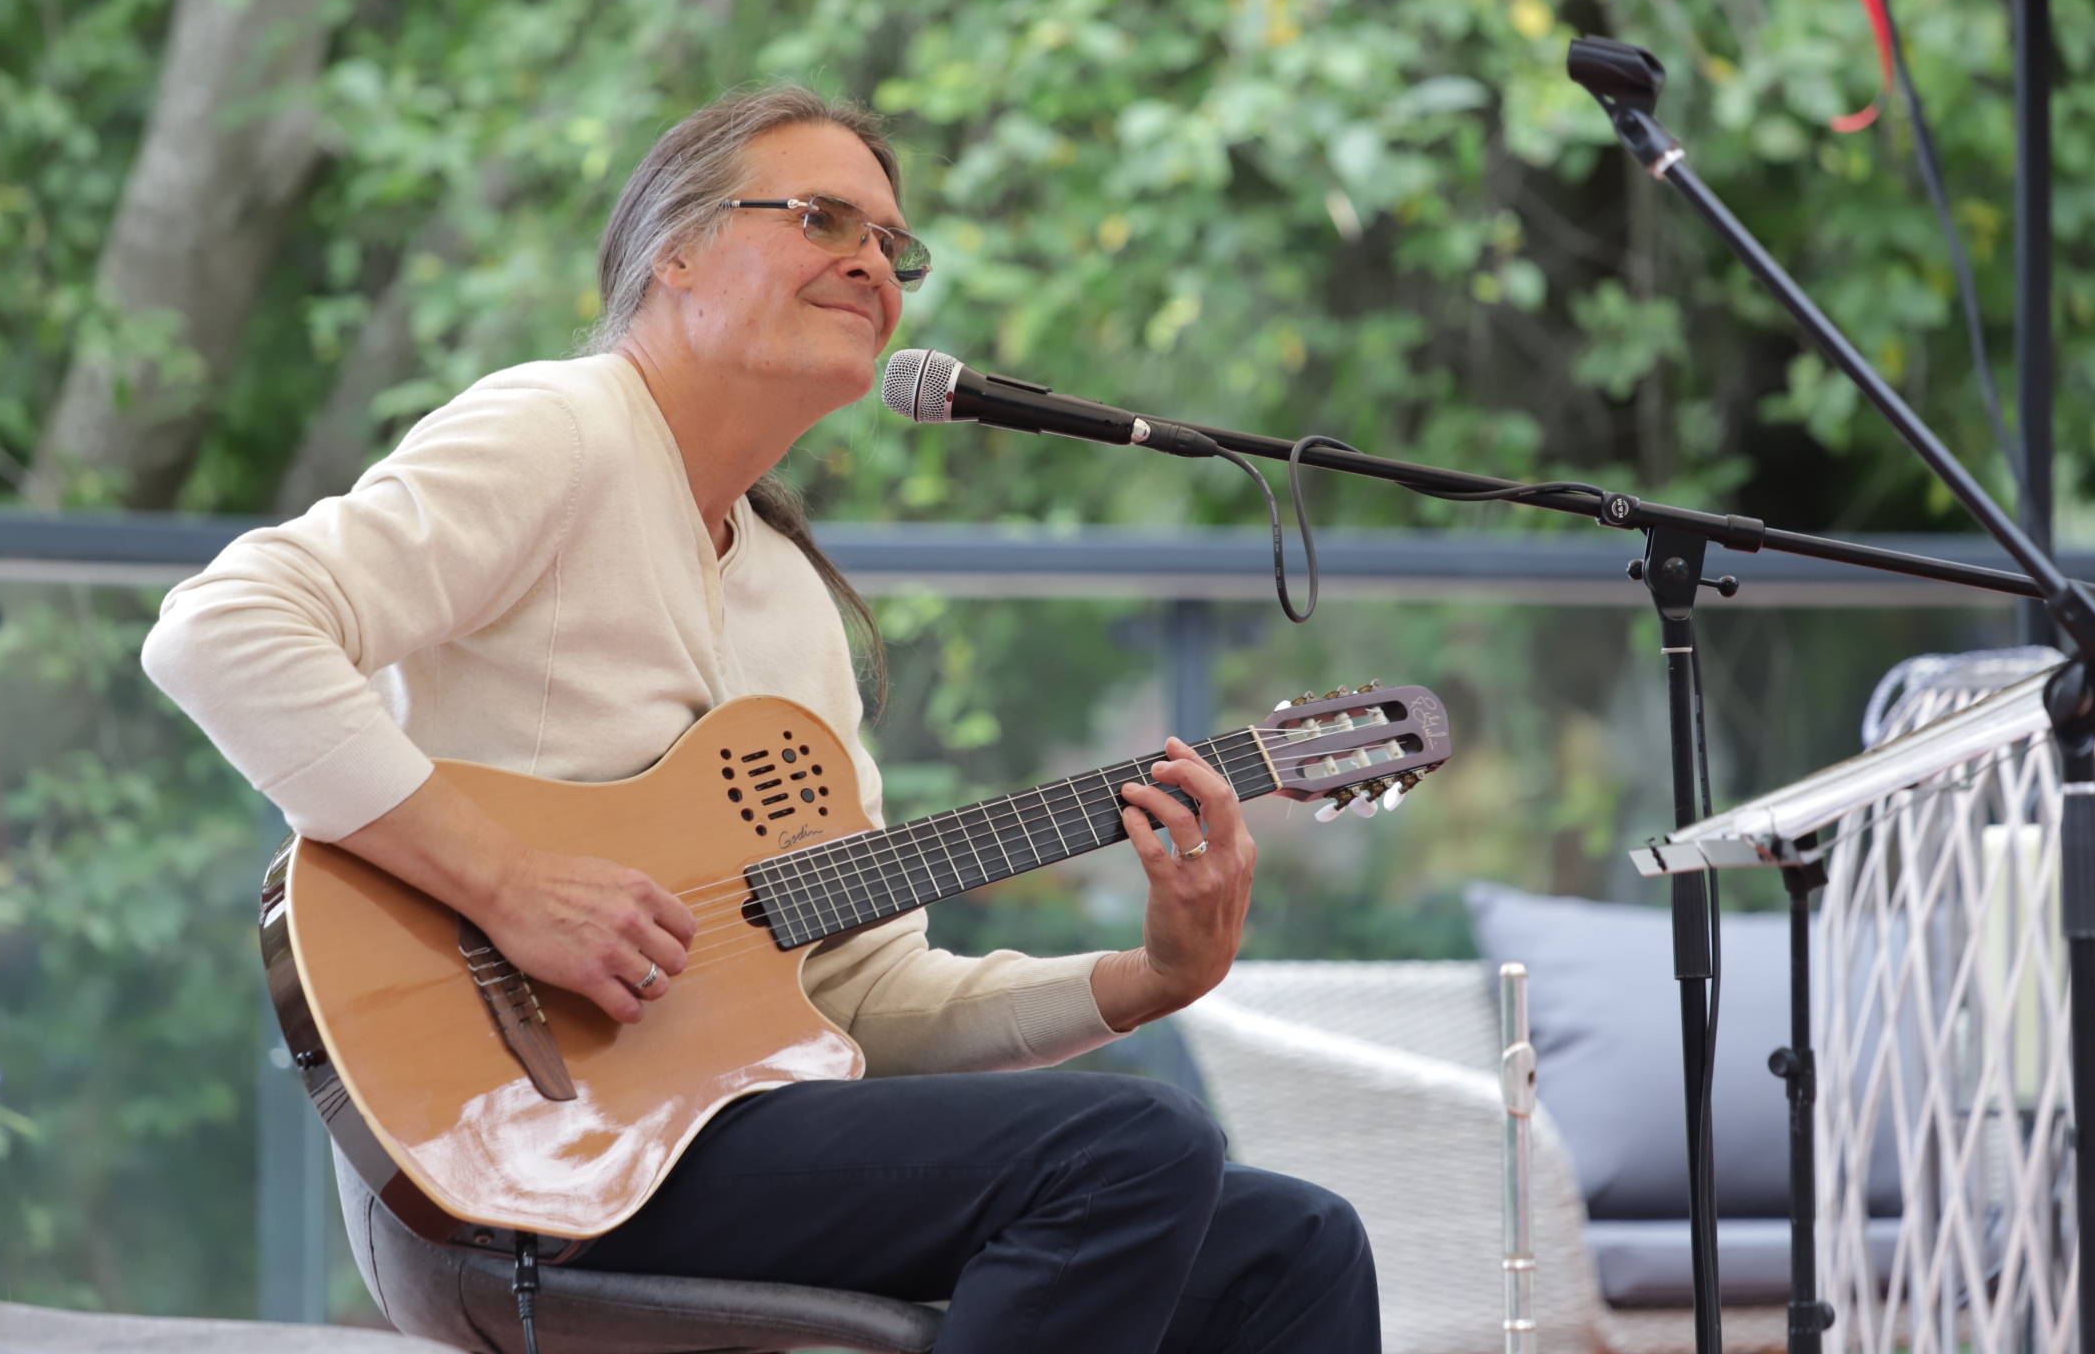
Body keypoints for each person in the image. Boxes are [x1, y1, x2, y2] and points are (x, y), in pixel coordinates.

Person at [143, 86, 1379, 1354]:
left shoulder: (791, 598)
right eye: (822, 218)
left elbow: (867, 992)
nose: (872, 264)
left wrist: (1150, 978)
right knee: (1136, 1141)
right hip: (517, 1163)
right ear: (671, 253)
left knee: (1297, 1243)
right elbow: (220, 629)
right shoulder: (562, 429)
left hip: (722, 1129)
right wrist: (510, 886)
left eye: (893, 245)